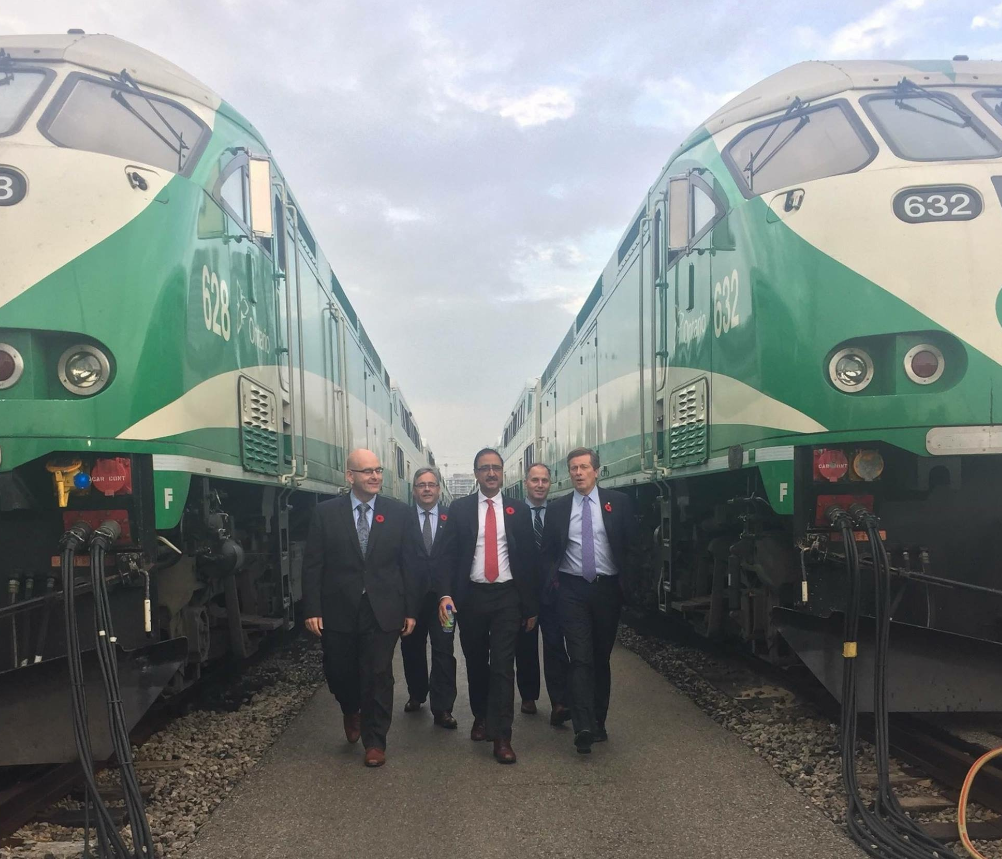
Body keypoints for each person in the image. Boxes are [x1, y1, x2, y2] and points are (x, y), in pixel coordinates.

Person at [302, 448, 421, 768]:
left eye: (378, 470)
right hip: (339, 606)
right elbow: (313, 564)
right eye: (367, 471)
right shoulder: (325, 513)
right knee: (340, 671)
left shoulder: (399, 513)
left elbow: (410, 565)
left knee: (379, 673)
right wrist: (312, 607)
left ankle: (375, 740)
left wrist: (411, 609)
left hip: (383, 607)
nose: (375, 476)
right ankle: (350, 708)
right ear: (349, 476)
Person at [436, 448, 538, 764]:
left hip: (508, 596)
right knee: (477, 662)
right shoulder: (460, 509)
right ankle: (480, 716)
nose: (491, 473)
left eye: (496, 468)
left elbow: (528, 560)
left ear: (503, 472)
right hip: (472, 598)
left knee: (503, 666)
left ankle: (502, 736)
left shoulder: (518, 511)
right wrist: (445, 594)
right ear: (477, 473)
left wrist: (531, 606)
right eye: (484, 468)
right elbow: (446, 555)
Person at [540, 447, 644, 755]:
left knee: (600, 657)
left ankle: (599, 722)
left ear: (596, 471)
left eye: (584, 467)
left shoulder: (619, 504)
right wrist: (549, 589)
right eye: (573, 468)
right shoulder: (558, 509)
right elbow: (547, 553)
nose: (578, 472)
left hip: (606, 590)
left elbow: (633, 547)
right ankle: (582, 725)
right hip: (571, 591)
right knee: (580, 657)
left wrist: (633, 586)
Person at [400, 467, 458, 728]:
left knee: (444, 649)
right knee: (411, 648)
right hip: (410, 599)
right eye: (421, 485)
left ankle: (443, 708)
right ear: (414, 490)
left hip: (443, 599)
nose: (426, 489)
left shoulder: (451, 518)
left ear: (438, 489)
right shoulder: (402, 518)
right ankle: (417, 693)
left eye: (431, 485)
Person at [521, 462, 571, 727]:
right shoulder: (515, 512)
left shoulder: (559, 512)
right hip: (523, 591)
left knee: (554, 644)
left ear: (550, 483)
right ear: (525, 483)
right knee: (525, 646)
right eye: (534, 480)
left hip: (552, 589)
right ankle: (528, 695)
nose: (539, 485)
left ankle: (559, 702)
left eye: (544, 480)